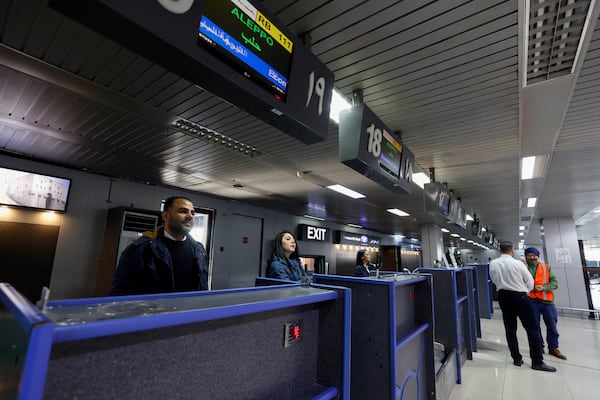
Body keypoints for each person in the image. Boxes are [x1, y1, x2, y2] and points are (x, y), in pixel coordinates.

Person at [109, 196, 209, 295]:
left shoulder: (199, 251)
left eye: (192, 213)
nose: (190, 216)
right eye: (183, 211)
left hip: (191, 310)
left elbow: (202, 288)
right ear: (165, 216)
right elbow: (121, 292)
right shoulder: (141, 249)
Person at [489, 241, 556, 372]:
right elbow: (530, 283)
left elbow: (494, 280)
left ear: (500, 250)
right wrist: (523, 291)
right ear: (512, 250)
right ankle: (537, 361)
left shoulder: (493, 263)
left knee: (510, 329)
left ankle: (516, 359)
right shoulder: (518, 263)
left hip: (503, 297)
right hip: (520, 297)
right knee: (532, 329)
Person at [524, 247, 567, 360]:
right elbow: (519, 283)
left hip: (547, 302)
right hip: (531, 301)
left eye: (535, 255)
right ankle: (539, 347)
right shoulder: (523, 268)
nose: (533, 257)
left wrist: (543, 288)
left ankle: (553, 348)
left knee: (552, 326)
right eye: (530, 255)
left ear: (538, 256)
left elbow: (555, 283)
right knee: (535, 326)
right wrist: (533, 287)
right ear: (526, 256)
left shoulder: (546, 267)